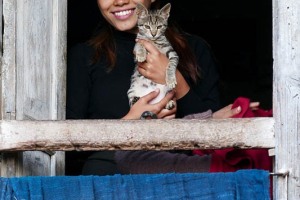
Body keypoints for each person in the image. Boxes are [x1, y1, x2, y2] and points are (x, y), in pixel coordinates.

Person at [66, 0, 259, 175]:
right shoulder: (84, 57)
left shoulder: (194, 50)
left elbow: (213, 147)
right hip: (109, 179)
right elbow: (67, 152)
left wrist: (175, 78)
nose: (120, 1)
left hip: (180, 179)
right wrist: (130, 121)